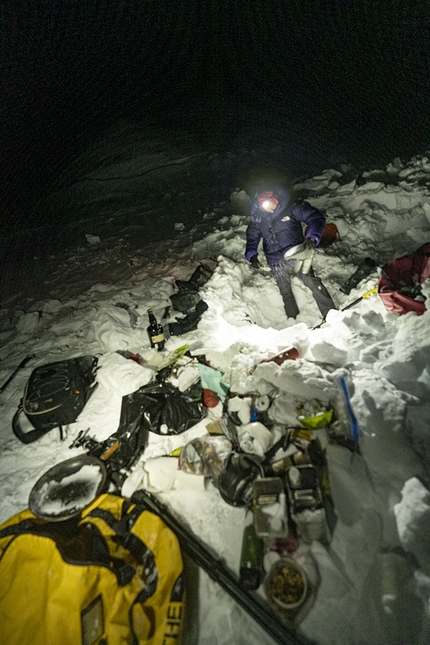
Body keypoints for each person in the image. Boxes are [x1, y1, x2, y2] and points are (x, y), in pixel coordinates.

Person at [245, 185, 336, 319]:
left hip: (297, 253)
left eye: (269, 203)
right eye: (262, 205)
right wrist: (251, 254)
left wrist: (312, 238)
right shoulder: (260, 218)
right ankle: (292, 319)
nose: (267, 207)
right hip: (275, 259)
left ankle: (330, 314)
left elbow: (316, 218)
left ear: (275, 199)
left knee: (310, 280)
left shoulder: (292, 208)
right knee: (285, 290)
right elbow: (252, 235)